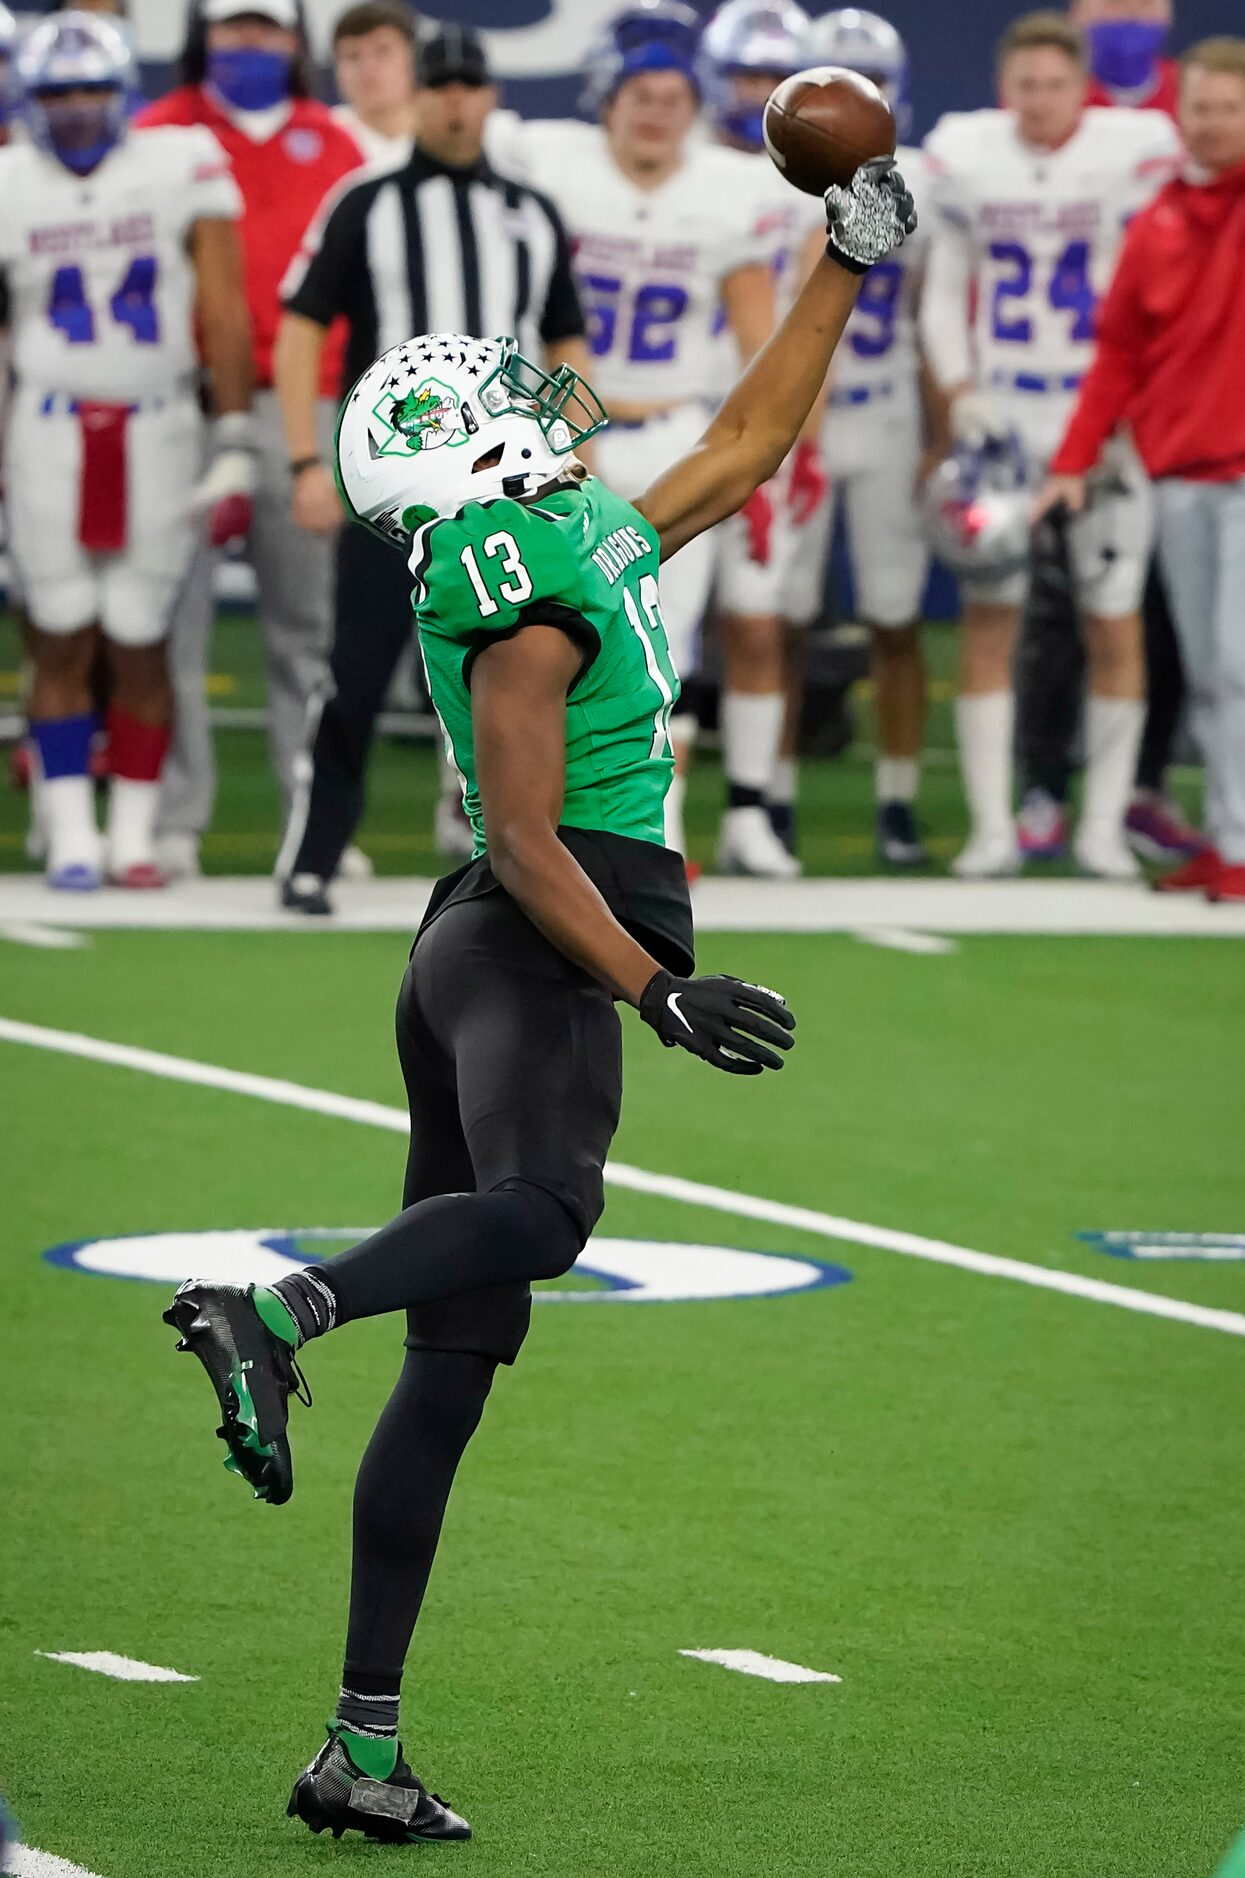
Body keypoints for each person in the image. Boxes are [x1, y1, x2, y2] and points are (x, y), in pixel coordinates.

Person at [164, 158, 916, 1844]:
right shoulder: (507, 568)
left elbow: (745, 441)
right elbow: (516, 828)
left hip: (495, 941)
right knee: (546, 1212)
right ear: (468, 451)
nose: (538, 393)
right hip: (544, 923)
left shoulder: (573, 522)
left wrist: (841, 262)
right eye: (501, 396)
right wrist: (653, 985)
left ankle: (359, 1743)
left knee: (462, 1354)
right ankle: (277, 1310)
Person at [274, 23, 591, 914]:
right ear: (415, 97)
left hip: (507, 484)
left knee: (517, 669)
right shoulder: (365, 202)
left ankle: (513, 856)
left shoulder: (532, 212)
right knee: (358, 668)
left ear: (490, 97)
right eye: (439, 86)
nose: (455, 101)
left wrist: (572, 452)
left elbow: (565, 334)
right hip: (395, 486)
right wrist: (306, 455)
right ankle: (314, 854)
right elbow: (303, 325)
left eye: (469, 86)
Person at [489, 1, 783, 871]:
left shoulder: (729, 191)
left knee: (663, 635)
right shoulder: (548, 164)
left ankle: (657, 823)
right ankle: (496, 803)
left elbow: (759, 346)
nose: (655, 111)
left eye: (671, 97)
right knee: (529, 625)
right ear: (603, 99)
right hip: (555, 429)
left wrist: (773, 463)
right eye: (638, 94)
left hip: (674, 429)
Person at [921, 10, 1180, 879]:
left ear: (1082, 89)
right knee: (990, 618)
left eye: (1055, 86)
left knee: (1114, 619)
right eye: (1025, 86)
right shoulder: (968, 154)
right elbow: (945, 281)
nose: (1039, 102)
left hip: (1096, 412)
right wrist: (958, 389)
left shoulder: (1130, 148)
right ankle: (993, 828)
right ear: (1003, 89)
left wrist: (1127, 408)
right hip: (1002, 414)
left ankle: (1101, 827)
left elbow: (1148, 289)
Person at [1, 11, 253, 890]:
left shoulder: (178, 162)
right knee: (59, 632)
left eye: (91, 89)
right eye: (57, 92)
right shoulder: (9, 181)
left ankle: (135, 836)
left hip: (157, 421)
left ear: (123, 93)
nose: (74, 109)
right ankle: (71, 833)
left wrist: (232, 434)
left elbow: (223, 305)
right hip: (46, 422)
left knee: (142, 636)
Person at [136, 0, 365, 880]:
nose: (248, 44)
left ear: (293, 39)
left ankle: (310, 820)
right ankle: (170, 820)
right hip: (179, 400)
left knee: (308, 627)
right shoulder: (159, 132)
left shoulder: (332, 142)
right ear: (202, 35)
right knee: (165, 619)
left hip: (303, 402)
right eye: (233, 28)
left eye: (264, 28)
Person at [1036, 37, 1245, 903]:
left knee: (1236, 662)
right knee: (1204, 670)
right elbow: (1118, 351)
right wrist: (1072, 459)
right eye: (1199, 107)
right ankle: (1230, 839)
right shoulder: (1157, 218)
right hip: (1179, 472)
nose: (1211, 124)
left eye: (1229, 108)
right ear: (1177, 114)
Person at [787, 6, 941, 867]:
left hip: (884, 408)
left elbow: (935, 315)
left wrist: (940, 430)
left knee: (895, 615)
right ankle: (764, 801)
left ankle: (896, 799)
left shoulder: (931, 180)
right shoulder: (772, 182)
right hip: (804, 408)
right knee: (776, 617)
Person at [696, 0, 829, 876]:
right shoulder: (687, 169)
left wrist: (805, 436)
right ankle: (635, 817)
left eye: (767, 77)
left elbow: (817, 318)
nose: (754, 94)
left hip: (763, 421)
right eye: (741, 75)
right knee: (645, 636)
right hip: (677, 414)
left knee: (756, 622)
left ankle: (749, 809)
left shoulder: (820, 178)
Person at [331, 0, 419, 166]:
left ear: (413, 58)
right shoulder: (322, 140)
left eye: (382, 51)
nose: (367, 67)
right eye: (352, 56)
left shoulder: (447, 130)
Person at [1070, 0, 1178, 116]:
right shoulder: (1057, 92)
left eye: (1145, 3)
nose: (1132, 14)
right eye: (1115, 2)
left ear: (1168, 14)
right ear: (1078, 11)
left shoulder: (1190, 91)